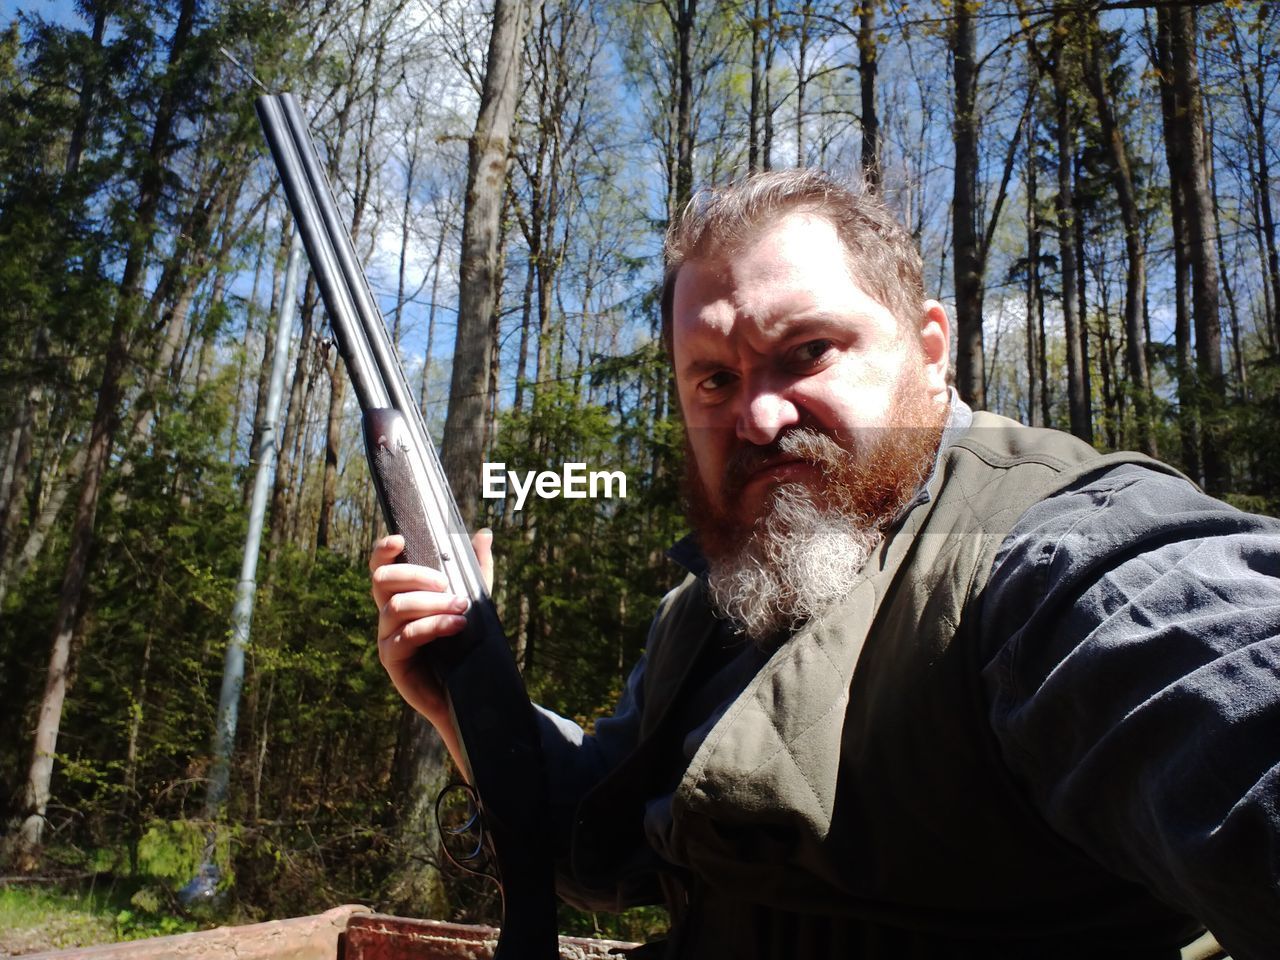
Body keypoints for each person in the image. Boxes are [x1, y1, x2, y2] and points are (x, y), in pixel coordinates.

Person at [370, 170, 1280, 959]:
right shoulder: (713, 603)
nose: (758, 417)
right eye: (714, 379)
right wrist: (468, 698)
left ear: (930, 349)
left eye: (807, 352)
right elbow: (603, 841)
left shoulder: (1052, 554)